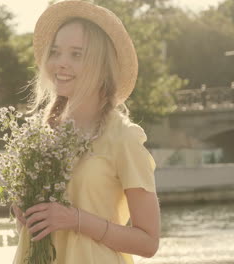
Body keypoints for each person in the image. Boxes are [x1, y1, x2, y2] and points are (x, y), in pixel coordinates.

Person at [11, 1, 160, 263]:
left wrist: (74, 220)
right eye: (55, 52)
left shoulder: (123, 139)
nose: (60, 63)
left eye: (76, 54)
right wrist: (24, 212)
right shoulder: (41, 134)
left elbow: (148, 242)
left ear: (101, 65)